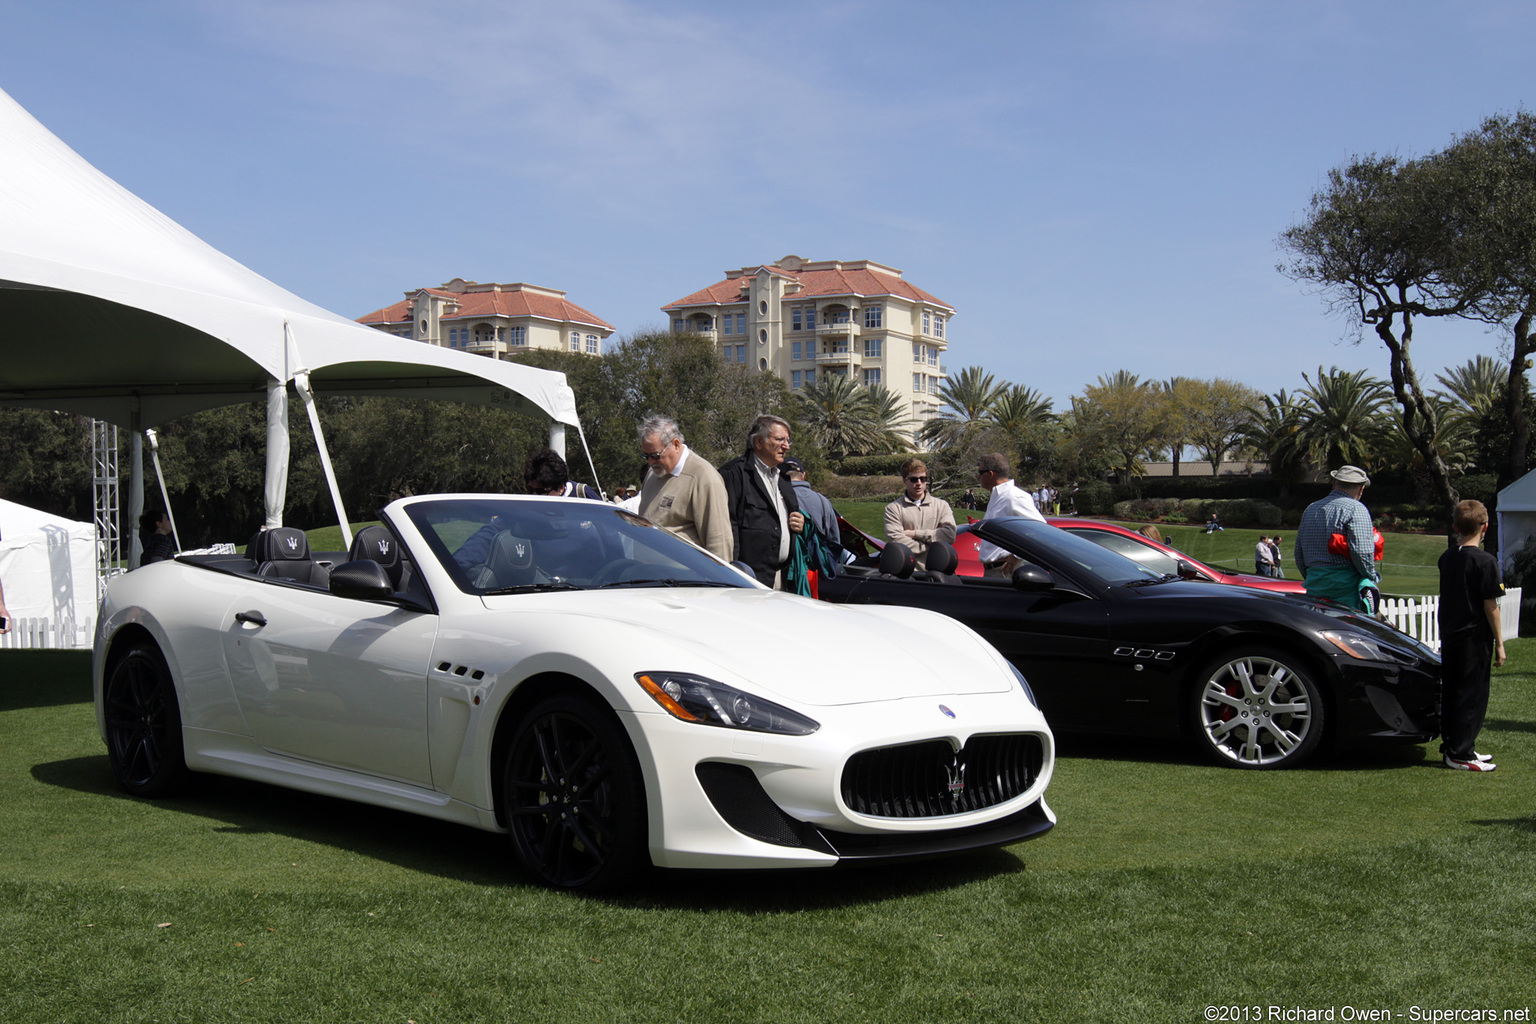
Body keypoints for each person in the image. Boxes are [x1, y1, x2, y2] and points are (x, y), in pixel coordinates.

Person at [1438, 500, 1506, 772]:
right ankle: (1461, 753)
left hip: (1451, 634)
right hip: (1474, 637)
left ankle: (1455, 745)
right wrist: (1500, 643)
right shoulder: (1486, 562)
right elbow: (1491, 607)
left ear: (1456, 527)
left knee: (1453, 690)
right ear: (1485, 527)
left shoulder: (1447, 558)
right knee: (1472, 694)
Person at [720, 415, 805, 588]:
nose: (786, 446)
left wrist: (799, 523)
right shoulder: (734, 474)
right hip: (747, 580)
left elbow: (782, 518)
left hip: (782, 577)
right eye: (780, 440)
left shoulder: (783, 477)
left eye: (788, 441)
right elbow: (727, 528)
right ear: (759, 442)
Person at [637, 416, 733, 563]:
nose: (650, 462)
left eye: (655, 455)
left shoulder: (703, 477)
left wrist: (720, 582)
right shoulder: (652, 474)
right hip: (649, 575)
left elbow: (718, 541)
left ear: (676, 444)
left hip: (684, 580)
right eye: (646, 456)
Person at [1294, 465, 1379, 612]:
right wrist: (1370, 576)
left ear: (1334, 484)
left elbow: (1299, 552)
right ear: (1361, 489)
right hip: (1345, 589)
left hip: (1314, 585)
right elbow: (1361, 552)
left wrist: (1312, 576)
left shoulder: (1311, 508)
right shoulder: (1356, 509)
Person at [975, 452, 1046, 575]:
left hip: (1004, 570)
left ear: (990, 474)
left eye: (980, 473)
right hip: (993, 570)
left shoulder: (1013, 497)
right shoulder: (997, 496)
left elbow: (1041, 529)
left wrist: (1016, 556)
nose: (978, 477)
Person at [883, 457, 956, 562]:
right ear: (904, 480)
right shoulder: (893, 509)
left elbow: (950, 535)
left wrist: (914, 534)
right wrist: (931, 546)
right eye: (913, 479)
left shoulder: (941, 506)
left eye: (923, 479)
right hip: (907, 571)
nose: (919, 483)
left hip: (937, 570)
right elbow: (896, 539)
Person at [783, 456, 839, 550]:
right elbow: (834, 539)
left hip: (792, 561)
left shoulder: (778, 498)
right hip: (818, 560)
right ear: (803, 475)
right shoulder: (823, 501)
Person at [523, 447, 600, 499]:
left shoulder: (584, 495)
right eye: (530, 490)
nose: (534, 496)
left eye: (541, 491)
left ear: (561, 488)